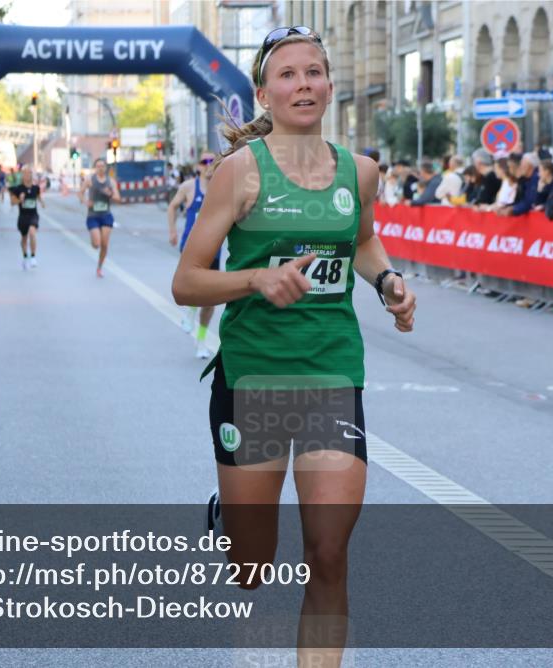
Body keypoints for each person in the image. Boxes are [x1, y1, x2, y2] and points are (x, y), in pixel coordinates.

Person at [170, 25, 415, 668]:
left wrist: (388, 281)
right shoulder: (240, 173)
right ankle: (235, 513)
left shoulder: (360, 171)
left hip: (331, 372)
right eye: (288, 74)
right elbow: (186, 282)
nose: (303, 84)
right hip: (253, 378)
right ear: (264, 92)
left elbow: (361, 242)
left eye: (314, 72)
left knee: (328, 556)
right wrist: (255, 278)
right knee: (251, 567)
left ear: (330, 86)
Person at [168, 155, 220, 358]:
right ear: (198, 166)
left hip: (214, 248)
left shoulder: (221, 187)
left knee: (210, 302)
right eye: (204, 162)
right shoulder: (189, 187)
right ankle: (190, 311)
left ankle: (201, 340)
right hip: (192, 249)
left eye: (212, 161)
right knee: (197, 290)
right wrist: (172, 231)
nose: (208, 165)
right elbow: (172, 207)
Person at [81, 157, 122, 278]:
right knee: (96, 244)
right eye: (98, 166)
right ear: (95, 168)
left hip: (106, 215)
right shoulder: (89, 179)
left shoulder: (111, 181)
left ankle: (99, 267)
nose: (100, 168)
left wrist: (110, 194)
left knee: (104, 244)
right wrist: (85, 202)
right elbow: (80, 193)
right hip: (93, 216)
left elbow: (118, 199)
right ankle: (94, 239)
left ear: (106, 168)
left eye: (102, 166)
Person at [8, 165, 44, 270]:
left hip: (33, 215)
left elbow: (38, 196)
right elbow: (12, 202)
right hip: (23, 216)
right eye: (25, 173)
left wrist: (42, 203)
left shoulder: (35, 188)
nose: (27, 175)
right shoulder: (18, 188)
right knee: (24, 238)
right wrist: (20, 200)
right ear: (22, 176)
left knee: (32, 232)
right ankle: (25, 256)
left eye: (29, 173)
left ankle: (33, 256)